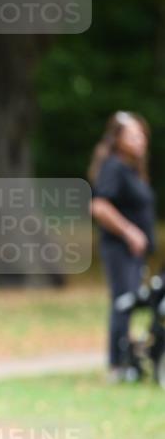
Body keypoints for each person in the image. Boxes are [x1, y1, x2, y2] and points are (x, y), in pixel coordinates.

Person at [89, 111, 156, 380]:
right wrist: (130, 232)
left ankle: (130, 360)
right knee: (123, 302)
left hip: (134, 253)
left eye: (141, 135)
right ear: (117, 140)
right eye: (132, 135)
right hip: (119, 249)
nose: (139, 141)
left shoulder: (132, 169)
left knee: (130, 302)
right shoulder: (114, 167)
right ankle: (117, 366)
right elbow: (99, 205)